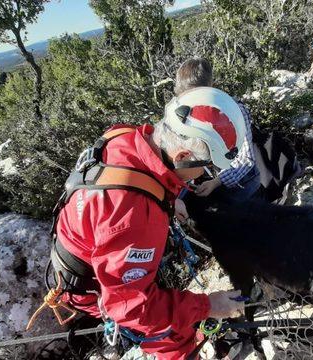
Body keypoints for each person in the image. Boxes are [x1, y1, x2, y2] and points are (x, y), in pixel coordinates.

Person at [53, 87, 247, 360]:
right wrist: (207, 306)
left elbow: (141, 175)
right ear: (181, 156)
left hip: (87, 244)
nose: (204, 175)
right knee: (172, 335)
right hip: (88, 286)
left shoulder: (127, 137)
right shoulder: (134, 218)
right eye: (207, 167)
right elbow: (133, 308)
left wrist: (172, 194)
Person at [174, 58, 261, 209]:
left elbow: (246, 159)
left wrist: (216, 182)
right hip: (215, 178)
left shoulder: (234, 112)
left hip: (243, 182)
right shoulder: (188, 112)